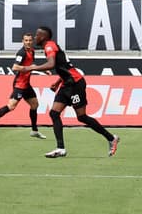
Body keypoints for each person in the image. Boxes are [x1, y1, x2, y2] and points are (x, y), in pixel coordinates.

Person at [30, 25, 119, 158]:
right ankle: (60, 148)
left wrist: (30, 68)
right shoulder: (51, 47)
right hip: (67, 84)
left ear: (43, 36)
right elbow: (65, 68)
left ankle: (111, 138)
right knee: (54, 113)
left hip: (75, 84)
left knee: (81, 116)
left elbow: (51, 65)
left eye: (37, 35)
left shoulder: (49, 46)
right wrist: (58, 81)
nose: (35, 37)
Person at [0, 31, 45, 138]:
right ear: (22, 41)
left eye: (30, 40)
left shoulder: (32, 51)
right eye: (26, 40)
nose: (28, 42)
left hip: (27, 85)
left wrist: (43, 70)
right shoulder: (21, 53)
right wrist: (30, 68)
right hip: (20, 85)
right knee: (11, 106)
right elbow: (15, 67)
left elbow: (31, 65)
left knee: (35, 105)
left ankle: (34, 131)